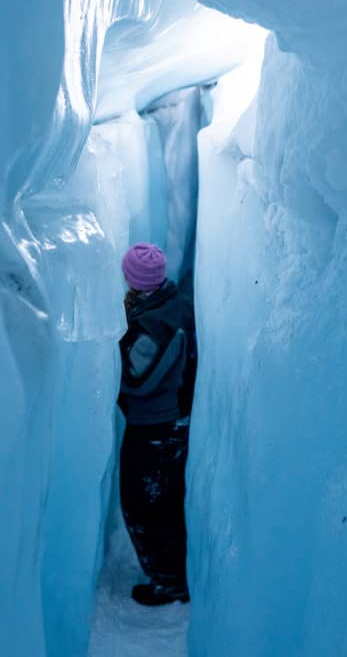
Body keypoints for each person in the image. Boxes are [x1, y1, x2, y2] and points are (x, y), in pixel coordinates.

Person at [117, 242, 197, 606]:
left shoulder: (151, 327)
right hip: (173, 422)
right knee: (165, 502)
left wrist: (111, 344)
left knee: (142, 505)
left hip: (155, 429)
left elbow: (135, 376)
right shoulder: (174, 302)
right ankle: (174, 574)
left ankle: (168, 582)